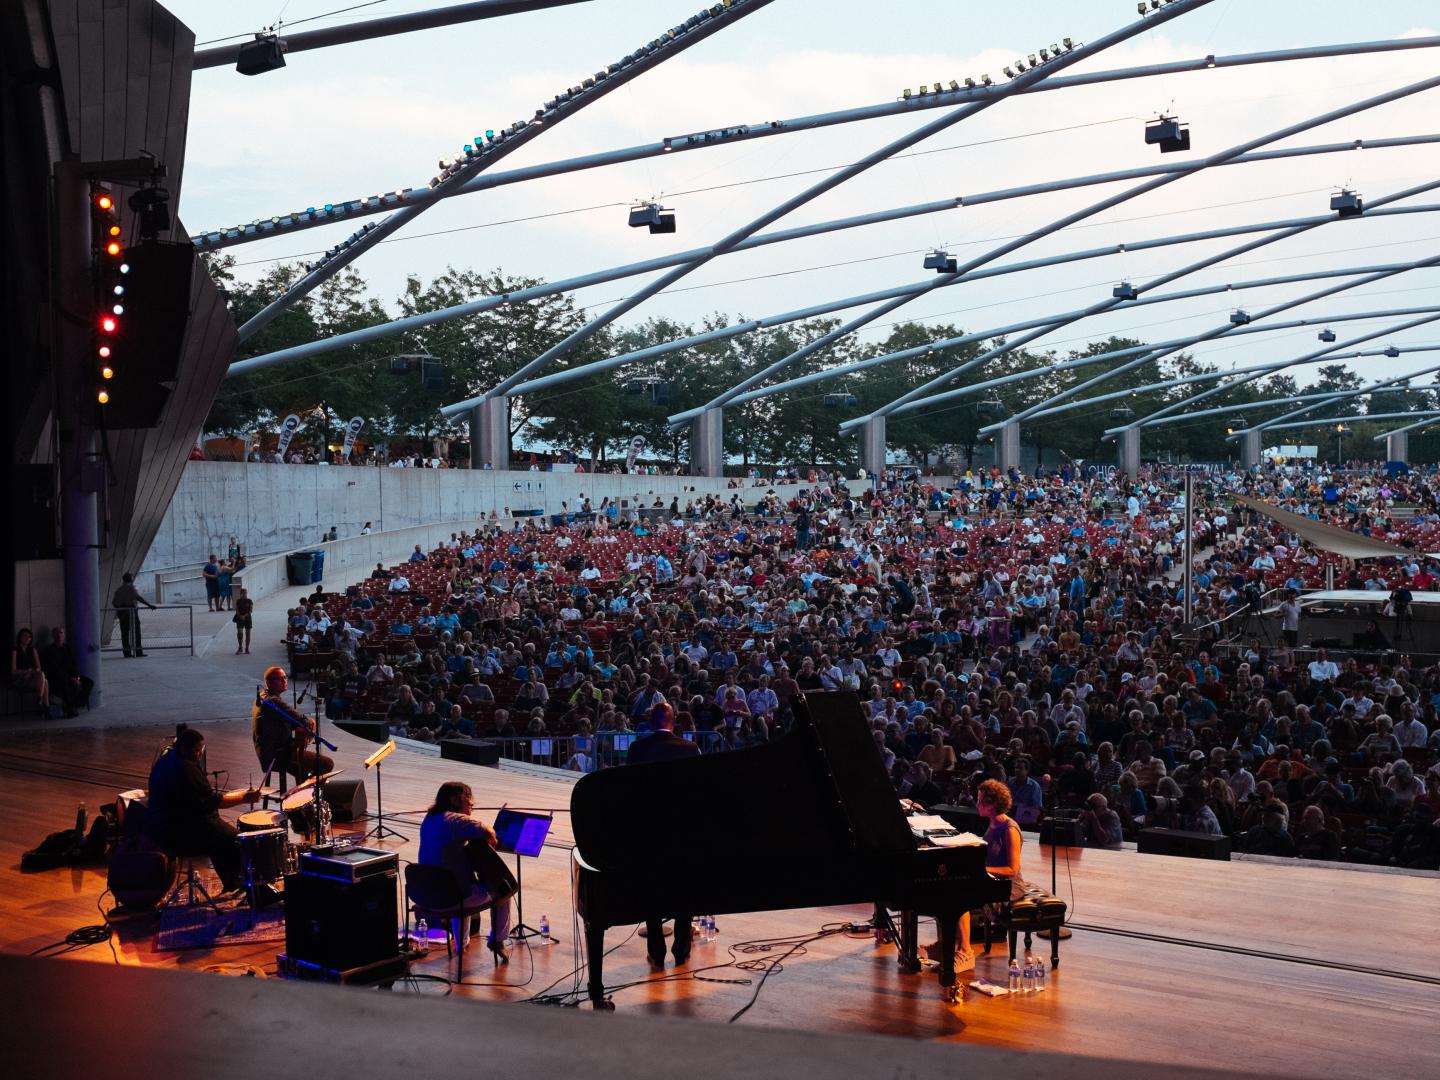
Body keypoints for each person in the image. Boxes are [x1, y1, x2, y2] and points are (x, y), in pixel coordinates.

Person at [146, 727, 264, 897]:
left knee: (219, 832)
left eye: (201, 750)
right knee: (237, 840)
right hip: (180, 832)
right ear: (184, 749)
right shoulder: (187, 769)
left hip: (160, 828)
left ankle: (232, 883)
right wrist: (244, 797)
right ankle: (245, 886)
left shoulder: (163, 762)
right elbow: (212, 802)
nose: (199, 754)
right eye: (196, 750)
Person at [626, 703, 701, 967]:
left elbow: (629, 791)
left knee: (651, 890)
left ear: (650, 721)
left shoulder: (637, 749)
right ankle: (681, 949)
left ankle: (656, 951)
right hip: (682, 831)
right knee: (684, 889)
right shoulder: (690, 749)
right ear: (674, 720)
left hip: (647, 831)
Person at [927, 778, 1025, 974]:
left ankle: (965, 952)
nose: (977, 804)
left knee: (960, 896)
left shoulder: (1009, 829)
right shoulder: (993, 823)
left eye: (981, 801)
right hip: (992, 879)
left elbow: (1012, 869)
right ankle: (948, 944)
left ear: (993, 804)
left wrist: (980, 869)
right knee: (946, 889)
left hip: (1009, 886)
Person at [418, 781, 515, 962]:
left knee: (461, 884)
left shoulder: (429, 819)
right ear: (455, 800)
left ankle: (461, 944)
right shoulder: (455, 820)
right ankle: (498, 941)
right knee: (504, 890)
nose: (471, 805)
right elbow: (488, 832)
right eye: (468, 800)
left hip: (426, 896)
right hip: (450, 899)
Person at [251, 666, 335, 791]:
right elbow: (303, 721)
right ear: (268, 682)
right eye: (280, 679)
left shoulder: (262, 697)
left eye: (285, 677)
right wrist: (308, 731)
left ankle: (304, 795)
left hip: (267, 753)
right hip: (277, 756)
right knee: (326, 763)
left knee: (303, 768)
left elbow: (287, 721)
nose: (284, 681)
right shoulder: (273, 702)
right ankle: (309, 796)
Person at [40, 626, 92, 718]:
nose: (59, 635)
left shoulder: (67, 648)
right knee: (65, 681)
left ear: (64, 635)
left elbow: (73, 664)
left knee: (89, 682)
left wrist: (77, 677)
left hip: (71, 676)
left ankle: (74, 705)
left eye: (61, 632)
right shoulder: (49, 650)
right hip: (57, 678)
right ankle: (70, 707)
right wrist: (71, 678)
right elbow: (54, 669)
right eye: (57, 633)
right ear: (53, 636)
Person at [112, 572, 156, 657]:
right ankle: (138, 651)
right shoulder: (131, 588)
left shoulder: (119, 590)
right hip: (131, 612)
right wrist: (149, 605)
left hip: (122, 612)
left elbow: (114, 602)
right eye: (132, 577)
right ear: (130, 579)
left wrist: (120, 611)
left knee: (124, 633)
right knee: (136, 632)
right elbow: (138, 598)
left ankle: (127, 653)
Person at [9, 628, 50, 715]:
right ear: (20, 637)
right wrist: (26, 672)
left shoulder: (33, 650)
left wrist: (32, 671)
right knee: (45, 681)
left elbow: (38, 668)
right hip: (19, 678)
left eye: (29, 636)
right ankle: (45, 707)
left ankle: (41, 702)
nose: (27, 638)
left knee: (43, 677)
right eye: (25, 636)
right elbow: (13, 671)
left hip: (31, 677)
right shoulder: (15, 650)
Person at [233, 588, 254, 654]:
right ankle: (240, 647)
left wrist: (244, 616)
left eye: (245, 593)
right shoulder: (238, 601)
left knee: (248, 633)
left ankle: (247, 648)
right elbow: (237, 610)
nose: (245, 594)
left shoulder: (249, 601)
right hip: (239, 618)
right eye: (243, 593)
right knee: (240, 633)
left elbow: (251, 610)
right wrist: (240, 615)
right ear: (241, 594)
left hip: (247, 618)